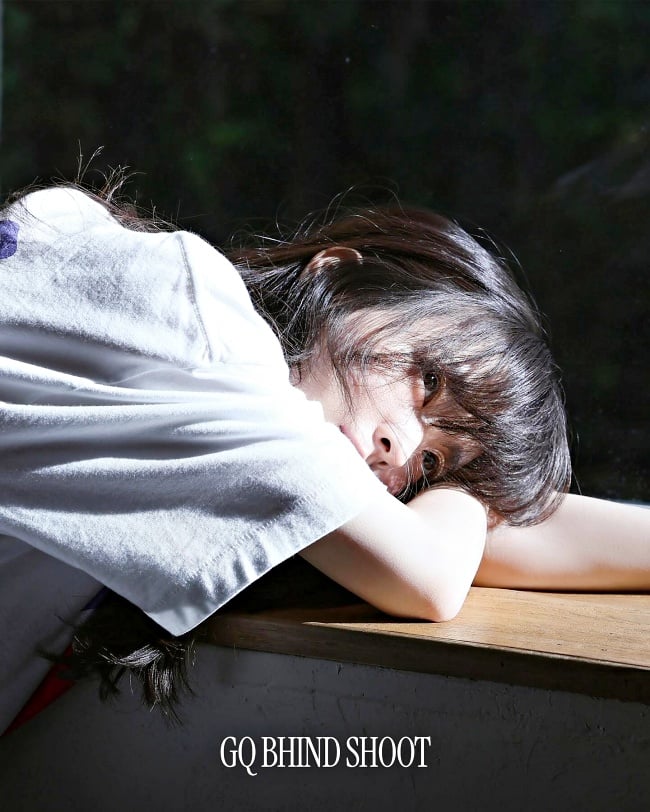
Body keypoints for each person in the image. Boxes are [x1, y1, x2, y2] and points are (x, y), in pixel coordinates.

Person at [0, 182, 647, 732]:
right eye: (428, 382)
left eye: (430, 466)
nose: (401, 451)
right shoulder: (205, 338)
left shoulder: (192, 403)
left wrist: (469, 487)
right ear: (335, 272)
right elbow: (432, 571)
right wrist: (465, 486)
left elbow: (471, 537)